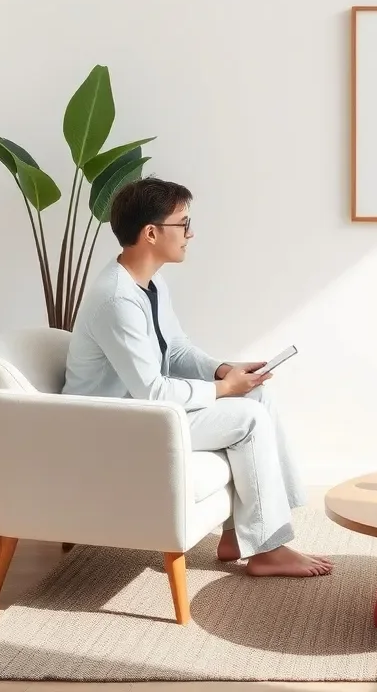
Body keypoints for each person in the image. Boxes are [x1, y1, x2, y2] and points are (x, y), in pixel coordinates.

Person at [63, 177, 332, 578]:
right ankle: (267, 550)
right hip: (117, 423)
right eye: (183, 224)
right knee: (249, 417)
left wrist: (225, 371)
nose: (191, 233)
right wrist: (224, 390)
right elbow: (153, 391)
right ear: (151, 233)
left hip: (143, 411)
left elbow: (178, 349)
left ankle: (243, 537)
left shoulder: (149, 284)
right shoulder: (117, 299)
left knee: (257, 399)